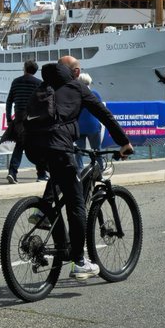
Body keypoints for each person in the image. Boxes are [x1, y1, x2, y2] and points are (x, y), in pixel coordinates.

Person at [24, 55, 134, 281]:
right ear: (72, 72)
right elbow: (104, 114)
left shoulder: (45, 86)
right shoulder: (78, 87)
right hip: (57, 144)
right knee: (76, 204)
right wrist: (124, 142)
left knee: (61, 171)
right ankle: (79, 261)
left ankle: (43, 212)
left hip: (33, 148)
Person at [5, 59, 47, 184]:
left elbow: (9, 101)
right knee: (38, 146)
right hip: (34, 119)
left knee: (19, 145)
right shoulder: (39, 83)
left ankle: (12, 172)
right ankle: (41, 174)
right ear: (35, 71)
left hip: (19, 119)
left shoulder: (16, 82)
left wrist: (8, 119)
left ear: (24, 68)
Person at [74, 72, 103, 172]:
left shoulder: (76, 94)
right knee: (96, 150)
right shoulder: (95, 94)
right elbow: (100, 110)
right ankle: (100, 169)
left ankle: (79, 171)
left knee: (79, 151)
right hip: (93, 126)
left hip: (79, 127)